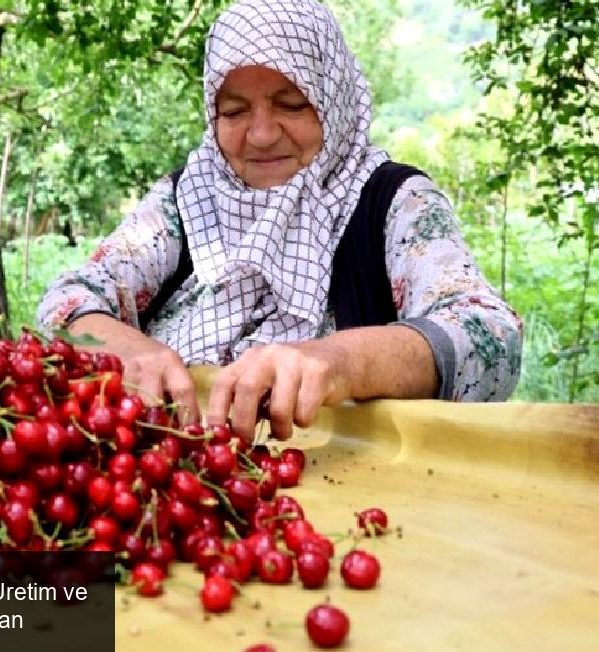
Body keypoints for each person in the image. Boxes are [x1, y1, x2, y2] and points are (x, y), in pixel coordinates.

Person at [37, 0, 523, 442]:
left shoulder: (394, 201)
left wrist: (339, 361)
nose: (263, 134)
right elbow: (70, 298)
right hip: (175, 491)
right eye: (234, 111)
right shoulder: (186, 197)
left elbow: (489, 336)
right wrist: (129, 347)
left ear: (333, 98)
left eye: (292, 104)